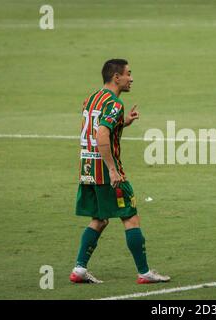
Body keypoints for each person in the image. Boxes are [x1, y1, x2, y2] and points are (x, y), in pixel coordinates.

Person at [70, 59, 170, 284]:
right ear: (117, 77)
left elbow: (97, 125)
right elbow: (102, 134)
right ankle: (144, 272)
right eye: (128, 74)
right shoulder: (114, 103)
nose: (131, 78)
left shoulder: (92, 98)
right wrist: (113, 170)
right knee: (130, 216)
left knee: (100, 219)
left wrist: (124, 122)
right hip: (106, 170)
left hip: (88, 168)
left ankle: (79, 270)